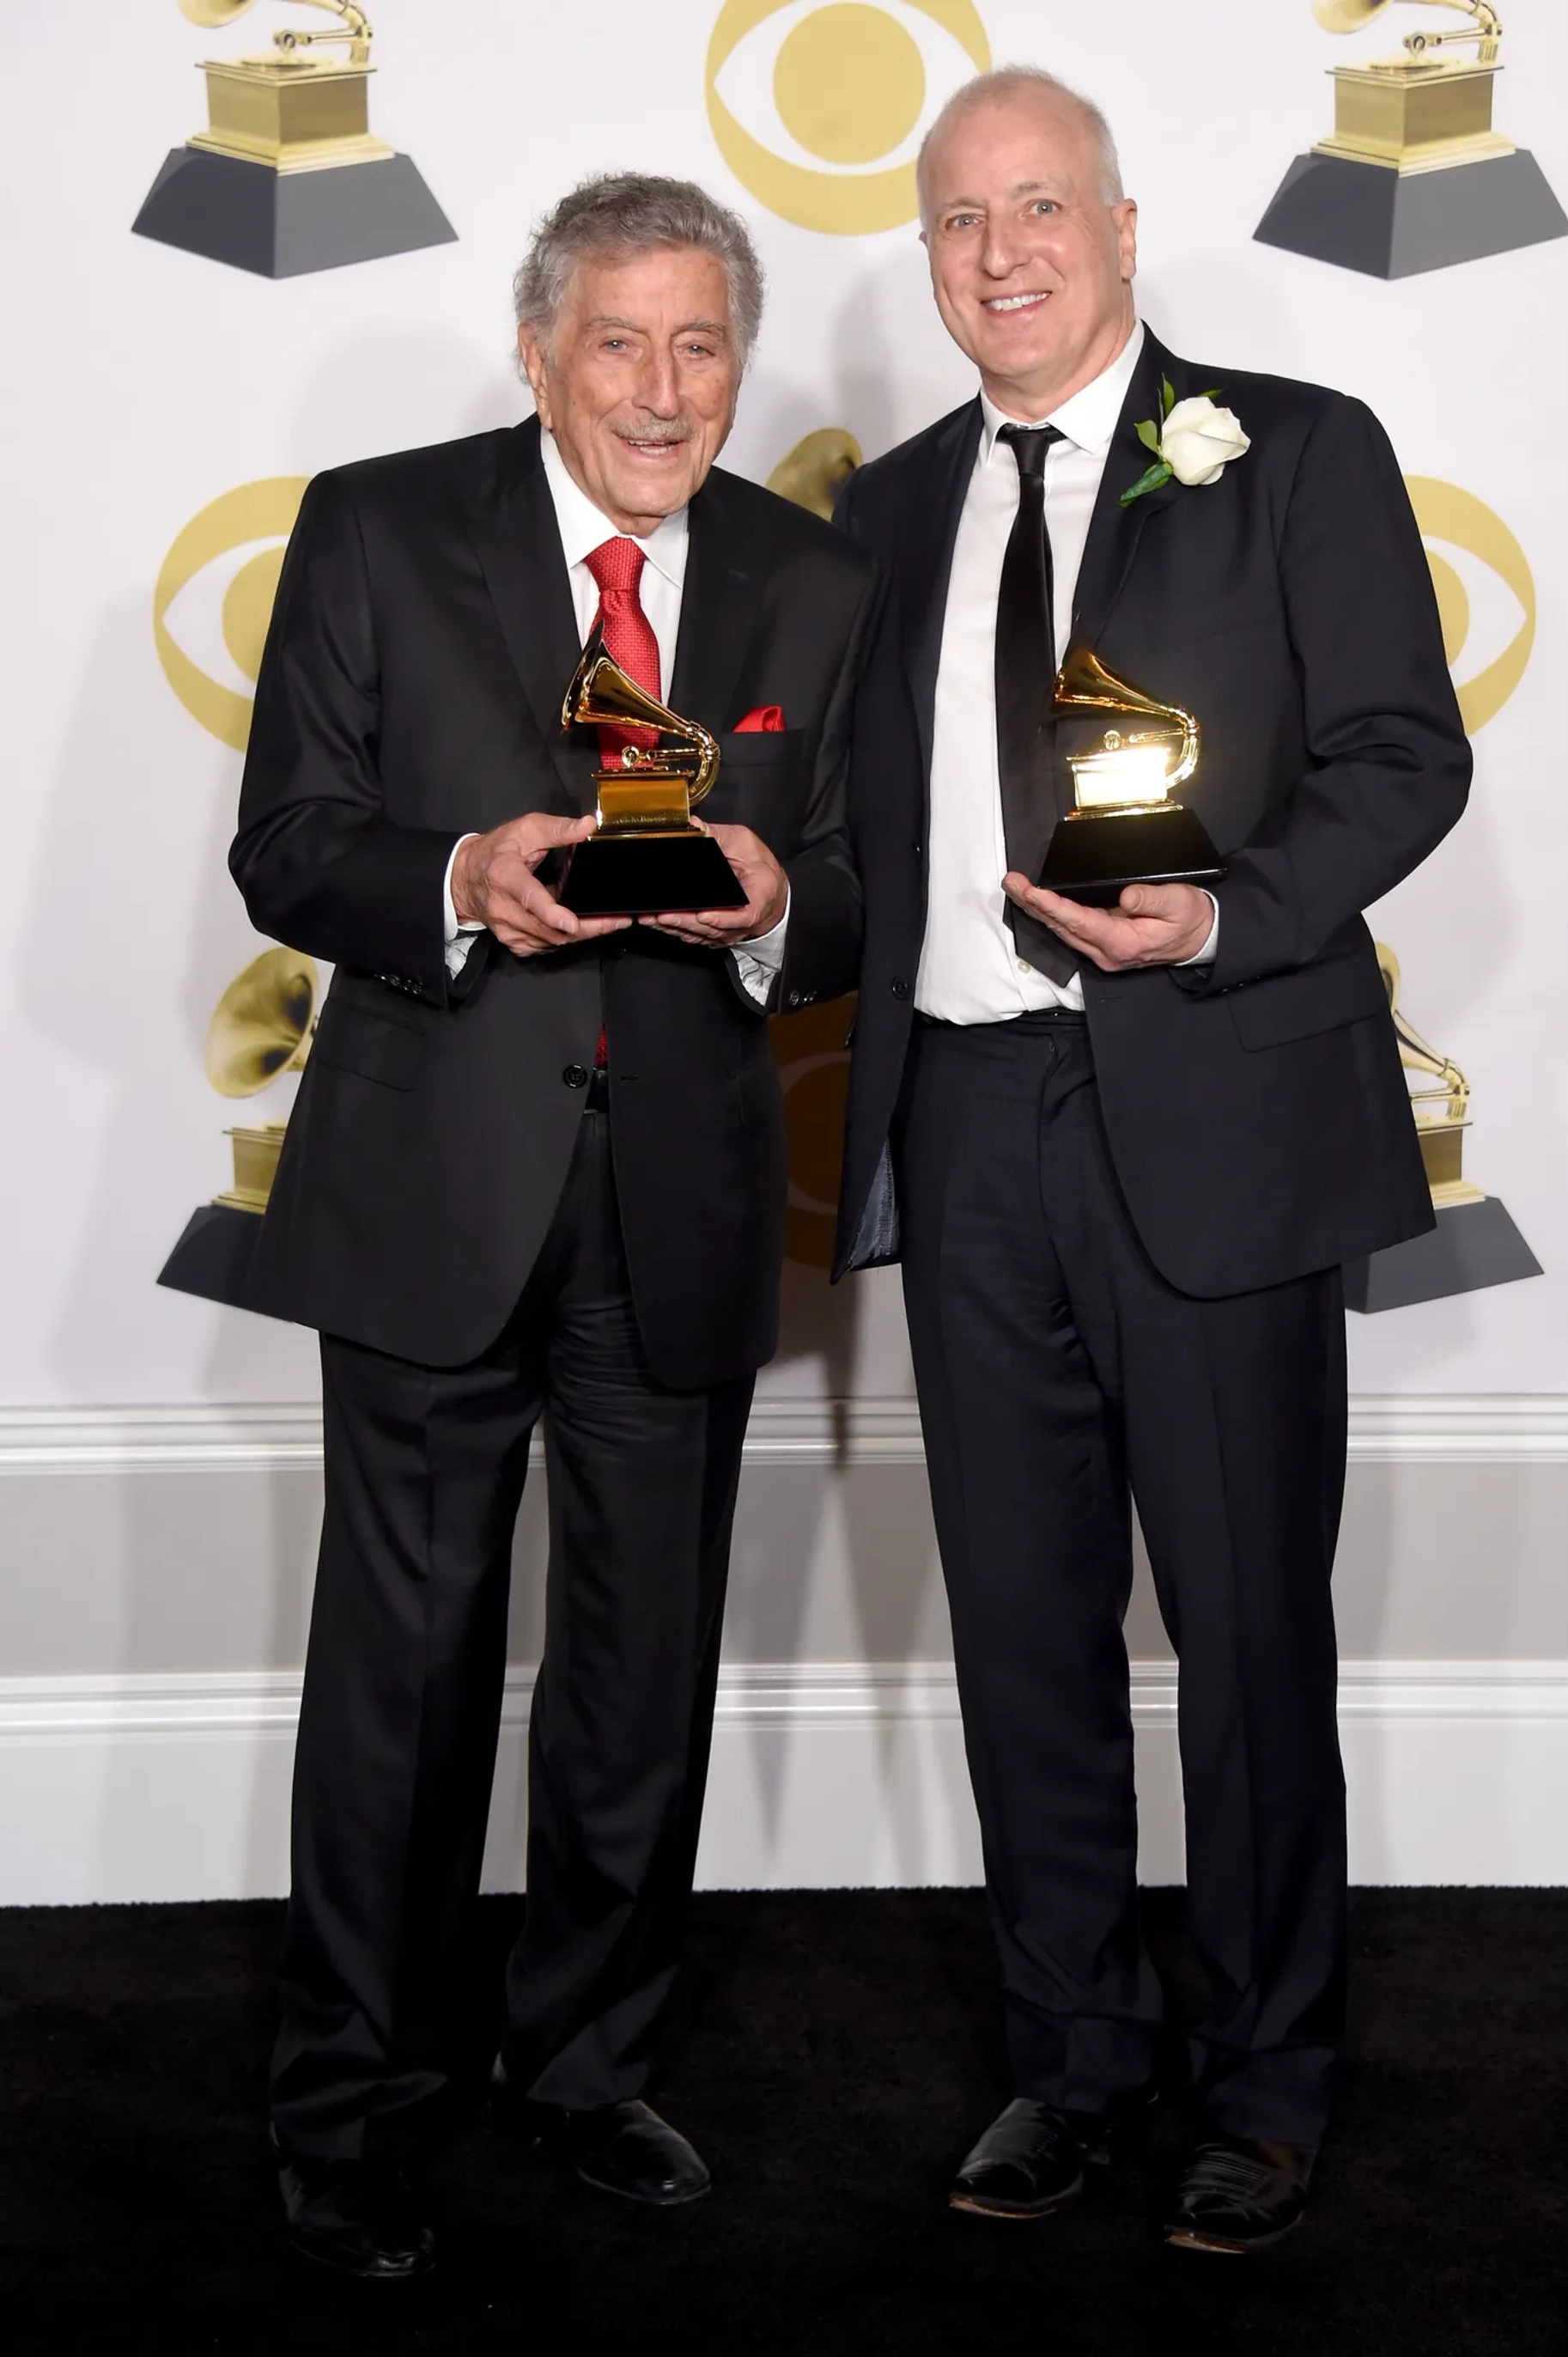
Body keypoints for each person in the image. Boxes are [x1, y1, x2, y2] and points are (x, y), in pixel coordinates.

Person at [834, 68, 1470, 2252]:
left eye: (1035, 208)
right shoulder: (887, 506)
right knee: (1020, 1630)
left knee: (1244, 1630)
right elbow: (854, 835)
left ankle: (1270, 2077)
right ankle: (1072, 2059)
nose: (995, 254)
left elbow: (1405, 752)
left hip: (1208, 1091)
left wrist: (1232, 909)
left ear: (1117, 222)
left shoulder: (1292, 447)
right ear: (924, 259)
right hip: (969, 1118)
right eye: (953, 222)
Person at [230, 173, 884, 2279]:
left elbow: (862, 875)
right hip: (437, 1188)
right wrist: (455, 872)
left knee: (637, 1679)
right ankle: (352, 2101)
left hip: (679, 1204)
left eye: (703, 347)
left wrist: (786, 900)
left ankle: (585, 2065)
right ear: (539, 353)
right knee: (402, 1682)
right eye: (622, 343)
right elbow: (287, 842)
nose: (665, 390)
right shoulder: (373, 523)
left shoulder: (810, 574)